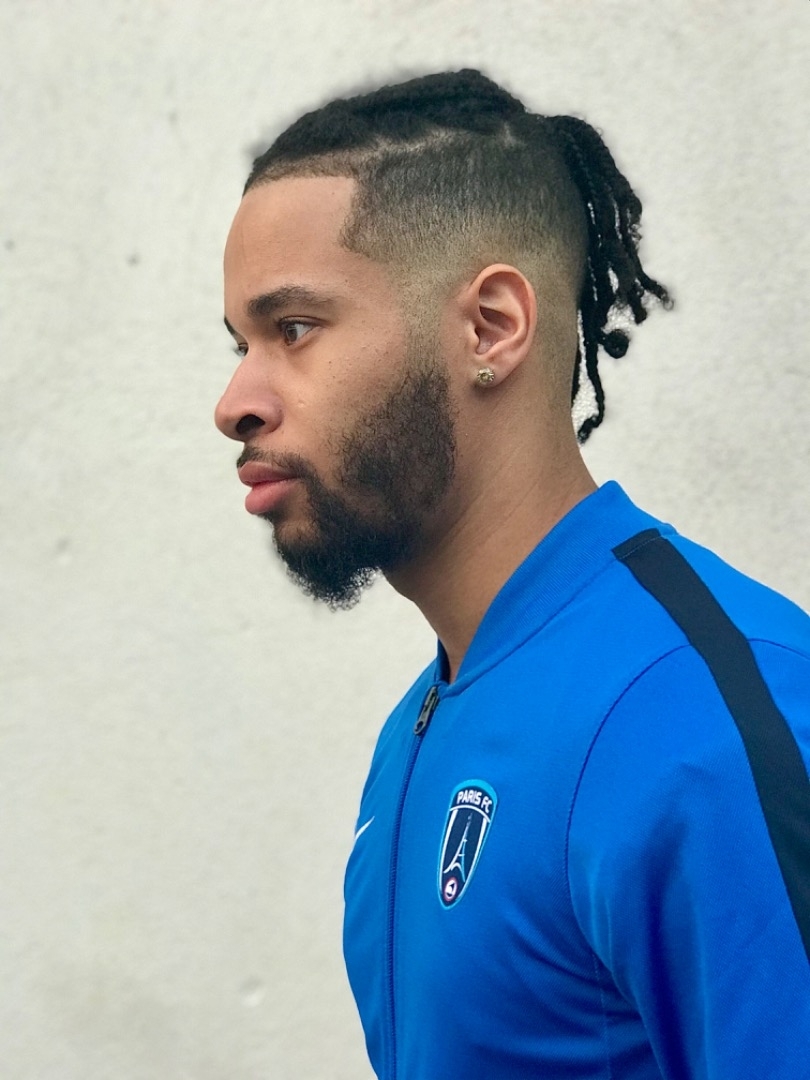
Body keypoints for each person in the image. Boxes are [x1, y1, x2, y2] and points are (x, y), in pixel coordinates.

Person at [214, 69, 810, 1079]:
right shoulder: (426, 724)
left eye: (294, 329)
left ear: (490, 326)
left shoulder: (700, 719)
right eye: (239, 344)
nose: (235, 401)